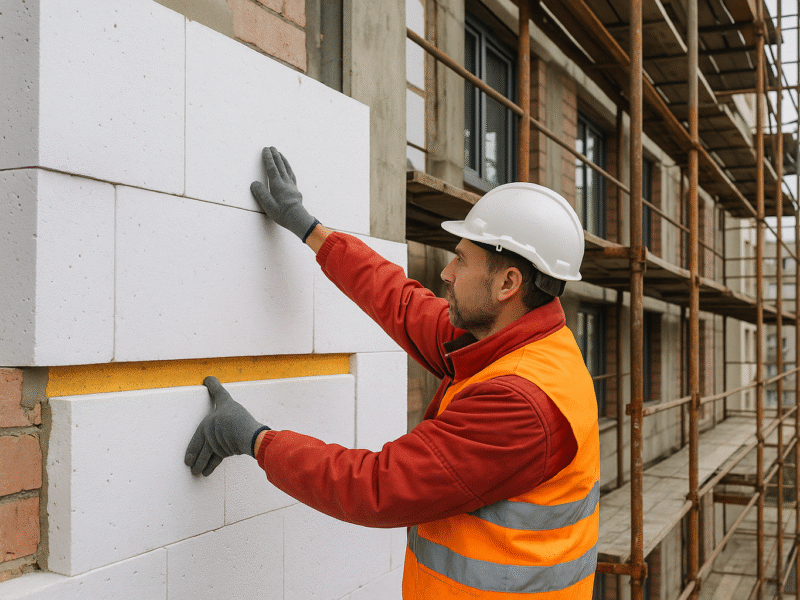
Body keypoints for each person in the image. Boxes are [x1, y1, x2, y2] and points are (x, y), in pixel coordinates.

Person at [185, 147, 600, 599]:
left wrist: (255, 440)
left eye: (462, 260)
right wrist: (310, 229)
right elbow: (403, 303)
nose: (446, 272)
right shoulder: (520, 340)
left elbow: (377, 486)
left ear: (508, 284)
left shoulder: (519, 403)